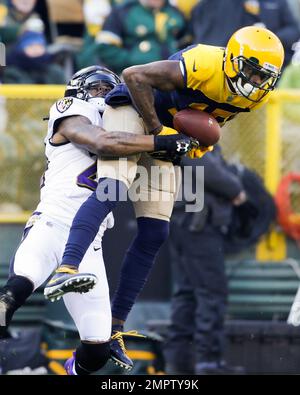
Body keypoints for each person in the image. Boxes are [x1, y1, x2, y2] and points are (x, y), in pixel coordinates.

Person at [44, 26, 285, 371]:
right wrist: (160, 133)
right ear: (232, 59)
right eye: (250, 70)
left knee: (156, 231)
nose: (255, 81)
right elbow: (134, 74)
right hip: (134, 108)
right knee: (112, 190)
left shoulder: (255, 95)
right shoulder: (202, 63)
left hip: (166, 129)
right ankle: (66, 266)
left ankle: (114, 329)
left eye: (264, 76)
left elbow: (210, 118)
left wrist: (199, 140)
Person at [0, 65, 195, 376]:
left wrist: (173, 138)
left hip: (90, 244)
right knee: (12, 296)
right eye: (97, 88)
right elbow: (103, 142)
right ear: (77, 91)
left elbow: (154, 172)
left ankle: (70, 371)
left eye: (110, 89)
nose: (104, 96)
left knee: (96, 349)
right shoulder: (71, 110)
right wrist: (163, 142)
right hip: (52, 223)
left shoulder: (130, 126)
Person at [164, 146, 247, 375]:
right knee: (211, 292)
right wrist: (235, 189)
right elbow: (203, 166)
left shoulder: (175, 122)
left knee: (187, 293)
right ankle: (209, 362)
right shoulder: (194, 122)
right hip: (198, 224)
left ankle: (181, 363)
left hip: (184, 221)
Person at [79, 0, 186, 74]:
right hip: (134, 75)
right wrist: (133, 60)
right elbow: (106, 49)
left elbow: (187, 43)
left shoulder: (175, 13)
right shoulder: (123, 11)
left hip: (172, 75)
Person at [190, 0, 299, 66]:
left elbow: (293, 29)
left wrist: (267, 38)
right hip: (219, 60)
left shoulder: (277, 2)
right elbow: (199, 28)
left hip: (260, 65)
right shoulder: (211, 3)